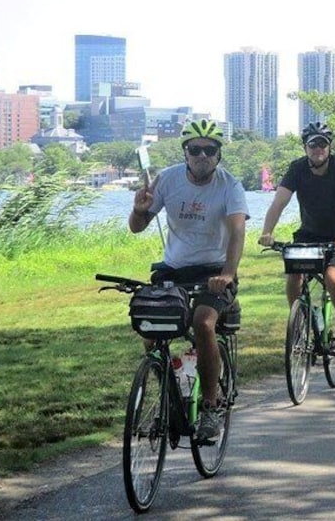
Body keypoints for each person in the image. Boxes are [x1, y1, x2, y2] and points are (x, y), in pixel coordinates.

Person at [130, 118, 249, 441]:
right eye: (195, 149)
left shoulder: (229, 186)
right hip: (173, 269)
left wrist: (227, 272)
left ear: (218, 155)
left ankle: (210, 407)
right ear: (185, 152)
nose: (202, 155)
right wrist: (139, 210)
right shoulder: (167, 180)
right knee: (152, 329)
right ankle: (172, 387)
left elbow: (237, 232)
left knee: (204, 323)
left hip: (215, 271)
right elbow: (137, 226)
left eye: (209, 150)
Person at [258, 122, 335, 364]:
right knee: (294, 276)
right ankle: (301, 323)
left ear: (329, 147)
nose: (318, 149)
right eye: (313, 144)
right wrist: (267, 232)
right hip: (308, 235)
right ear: (305, 147)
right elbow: (279, 202)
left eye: (323, 144)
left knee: (333, 280)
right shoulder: (297, 169)